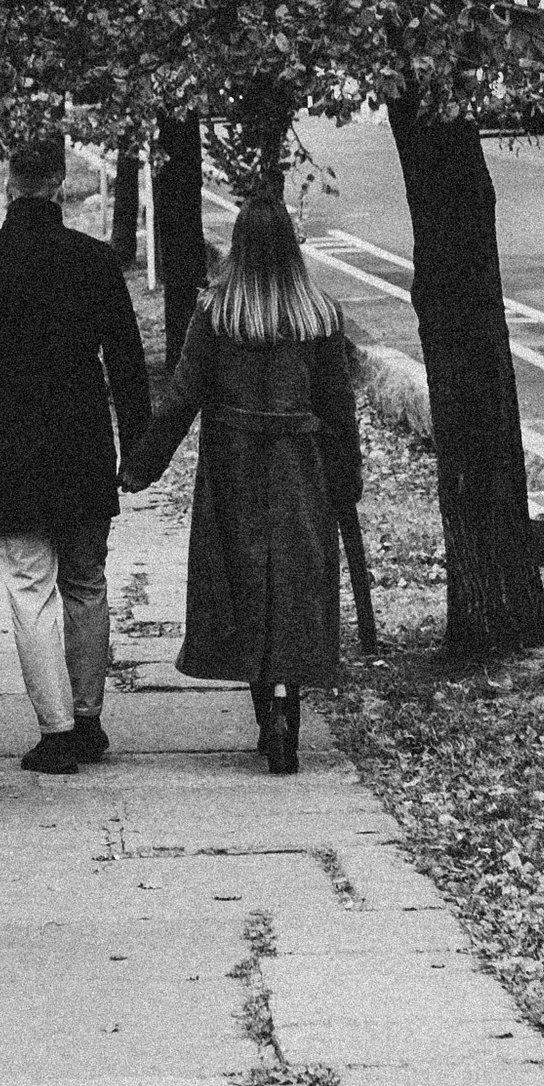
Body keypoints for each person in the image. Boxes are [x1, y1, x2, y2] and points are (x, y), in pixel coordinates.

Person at [120, 195, 359, 776]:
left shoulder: (217, 315)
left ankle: (265, 708)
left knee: (243, 582)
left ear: (239, 248)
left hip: (233, 467)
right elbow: (338, 408)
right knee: (293, 584)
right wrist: (346, 481)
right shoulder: (319, 317)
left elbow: (181, 399)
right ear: (292, 250)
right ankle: (286, 701)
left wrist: (142, 465)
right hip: (300, 466)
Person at [0, 125, 151, 773]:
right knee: (87, 581)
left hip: (12, 445)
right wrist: (136, 447)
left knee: (30, 586)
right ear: (60, 184)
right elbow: (127, 359)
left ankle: (56, 730)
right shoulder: (94, 261)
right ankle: (89, 719)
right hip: (85, 440)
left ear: (10, 183)